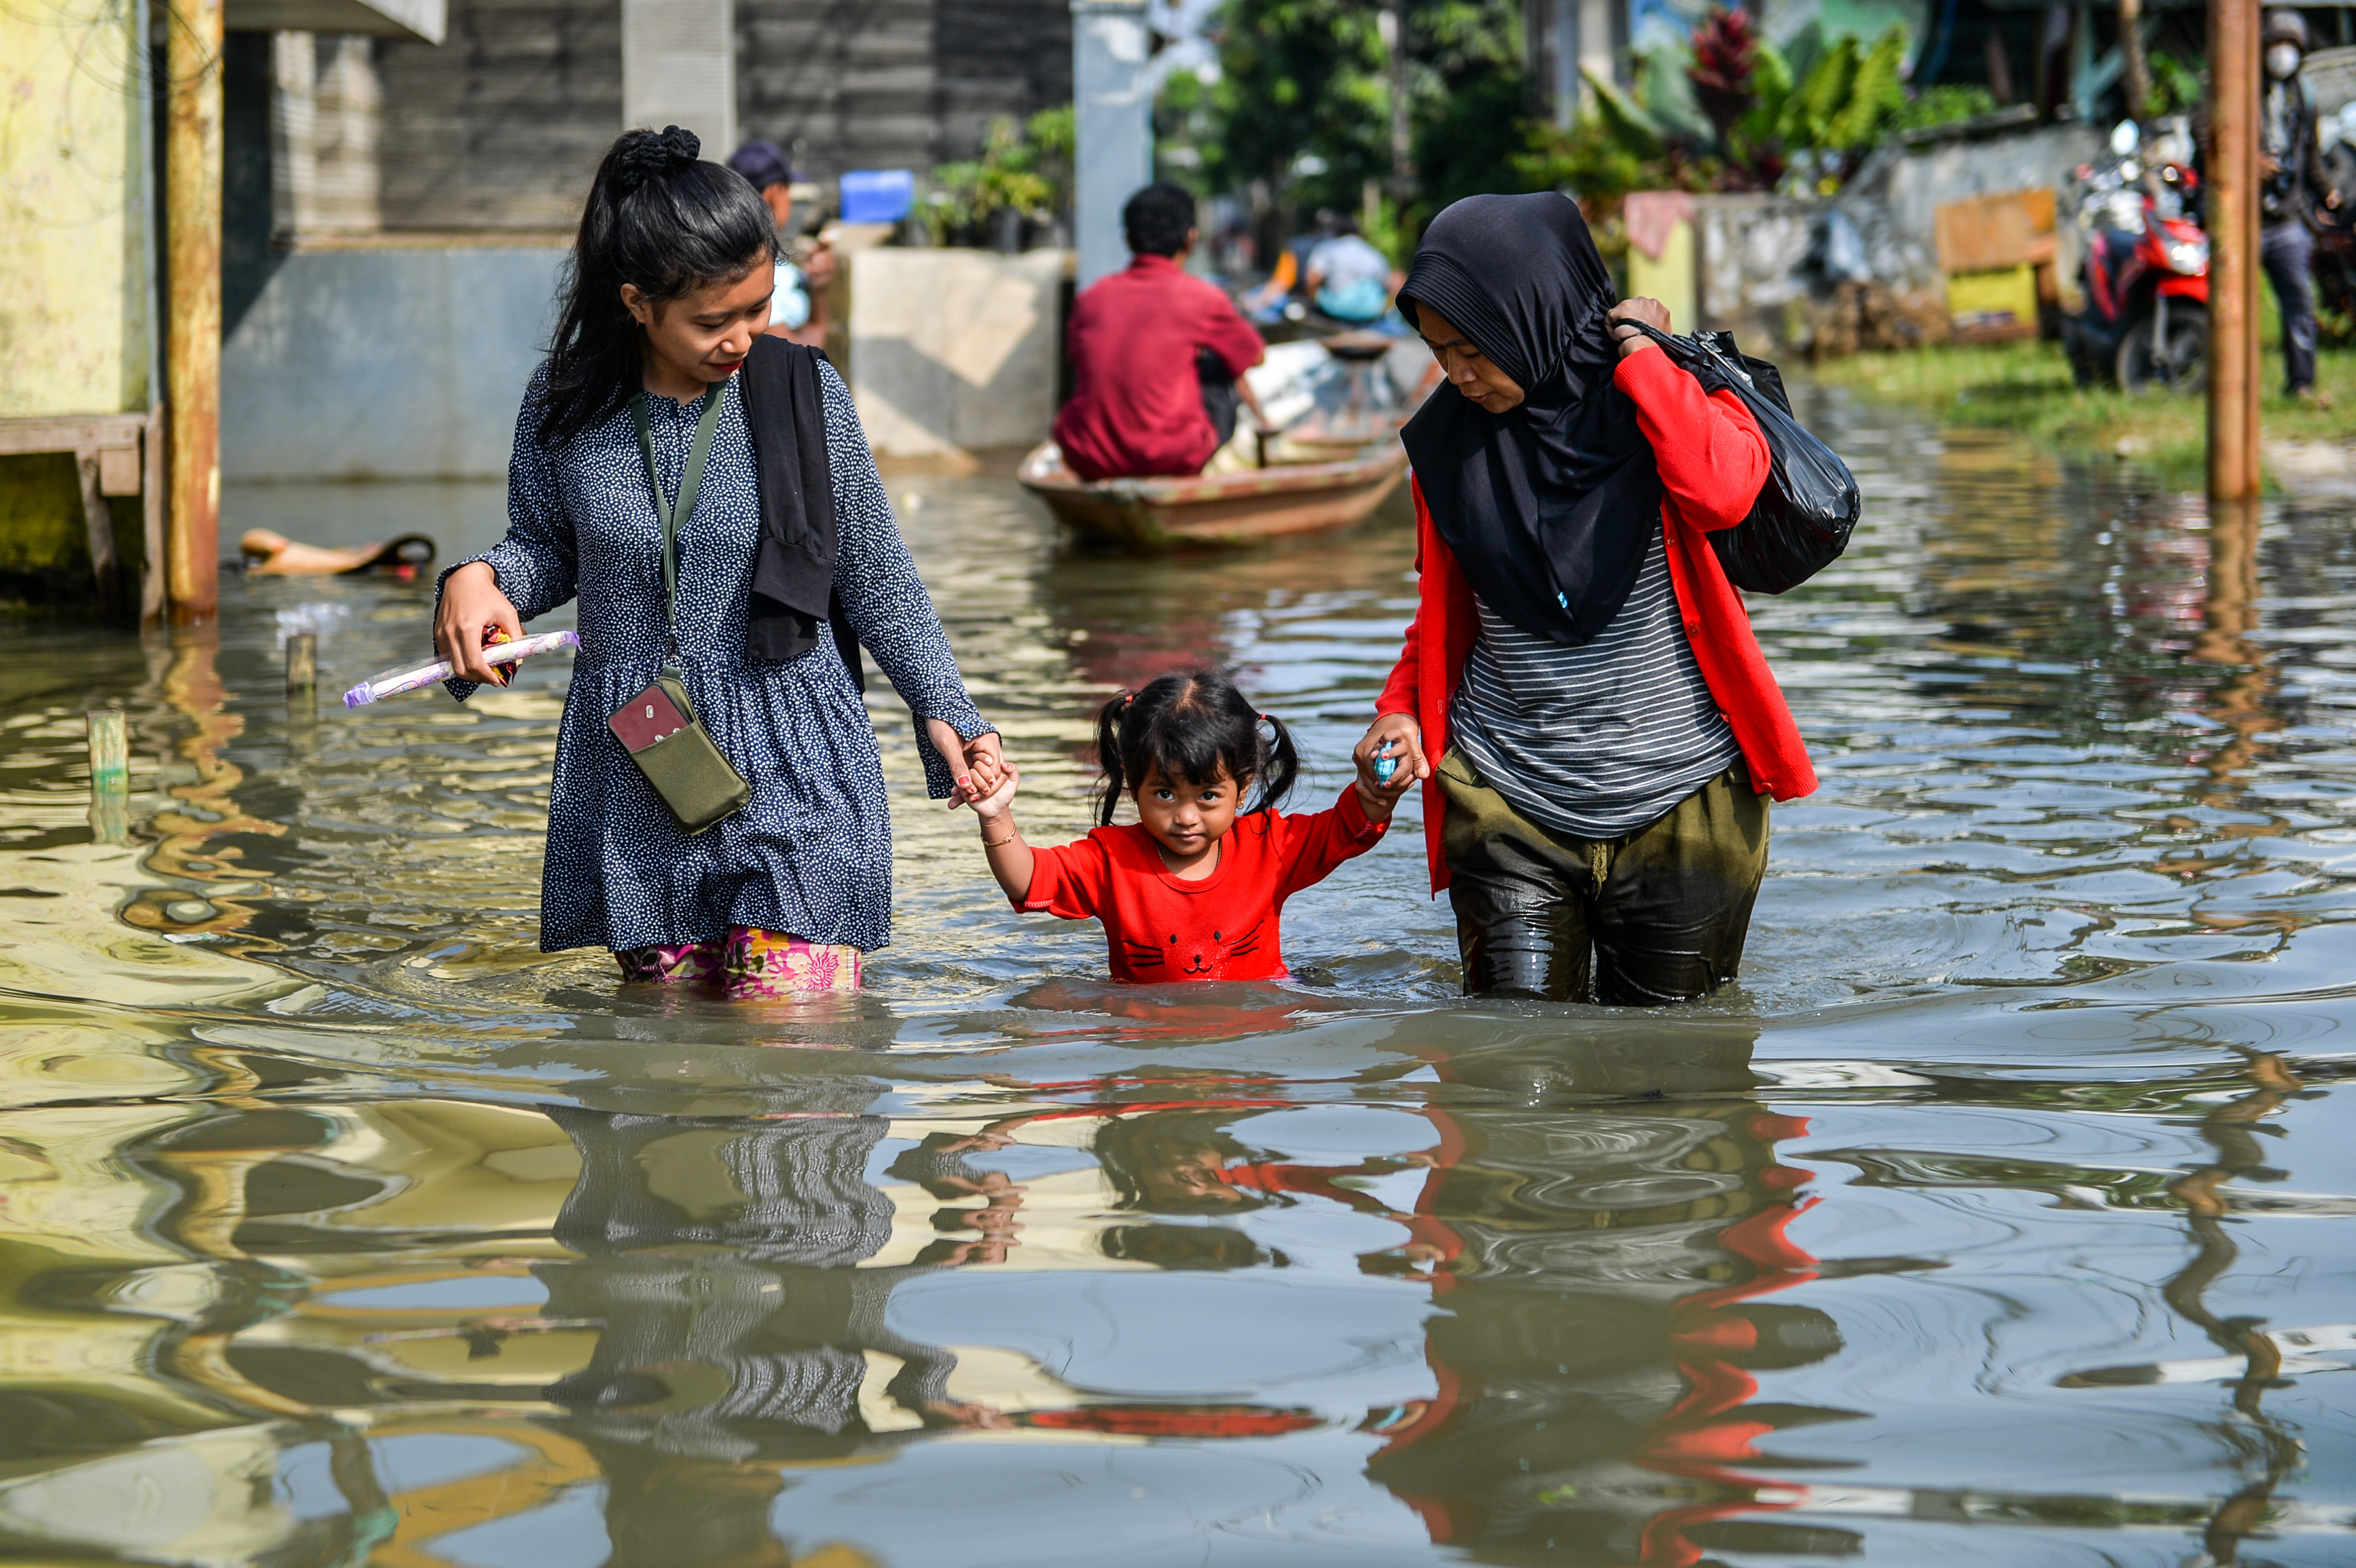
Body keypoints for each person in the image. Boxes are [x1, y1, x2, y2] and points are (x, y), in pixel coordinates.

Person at [433, 125, 1002, 999]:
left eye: (759, 306)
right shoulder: (566, 402)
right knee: (671, 1072)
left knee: (791, 1059)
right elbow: (547, 548)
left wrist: (948, 712)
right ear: (637, 302)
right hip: (639, 764)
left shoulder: (803, 391)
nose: (743, 337)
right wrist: (481, 580)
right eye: (713, 320)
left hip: (795, 746)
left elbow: (878, 575)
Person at [1353, 192, 1816, 1007]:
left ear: (1534, 315)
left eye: (1473, 348)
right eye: (1439, 351)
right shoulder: (1448, 446)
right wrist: (1398, 708)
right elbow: (1443, 610)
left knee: (1669, 1086)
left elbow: (1721, 493)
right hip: (1507, 798)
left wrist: (1644, 353)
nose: (1456, 373)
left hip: (1685, 800)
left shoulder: (1670, 399)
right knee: (1512, 1067)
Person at [962, 669, 1412, 982]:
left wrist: (1380, 790)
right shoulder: (1110, 860)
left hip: (1252, 1041)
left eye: (1209, 796)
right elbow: (1029, 881)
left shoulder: (1269, 847)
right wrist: (996, 814)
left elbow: (1347, 828)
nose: (1186, 816)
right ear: (1133, 781)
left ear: (1245, 785)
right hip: (1147, 1039)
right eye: (1164, 794)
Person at [1051, 182, 1272, 481]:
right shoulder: (1201, 298)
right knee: (1219, 367)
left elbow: (1076, 361)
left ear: (1128, 239)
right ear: (1191, 239)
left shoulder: (1090, 299)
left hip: (1089, 455)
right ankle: (1194, 474)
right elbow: (1254, 356)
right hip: (1171, 456)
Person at [2259, 9, 2342, 402]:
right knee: (2228, 308)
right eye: (2275, 45)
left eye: (2289, 47)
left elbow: (2308, 155)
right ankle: (2217, 383)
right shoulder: (2241, 87)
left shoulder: (2301, 95)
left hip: (2286, 218)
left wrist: (2327, 190)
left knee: (2299, 301)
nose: (2281, 54)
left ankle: (2302, 384)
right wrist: (2246, 160)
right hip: (2244, 217)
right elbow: (2203, 129)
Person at [726, 139, 837, 351]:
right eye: (789, 191)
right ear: (775, 192)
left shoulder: (729, 253)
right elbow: (794, 352)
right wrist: (819, 301)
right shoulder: (757, 265)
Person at [1303, 215, 1399, 324]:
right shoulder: (1374, 254)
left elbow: (1312, 279)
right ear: (1360, 234)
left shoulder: (1327, 249)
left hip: (1334, 312)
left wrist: (1313, 297)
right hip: (1370, 314)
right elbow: (1394, 282)